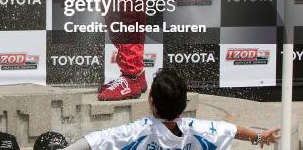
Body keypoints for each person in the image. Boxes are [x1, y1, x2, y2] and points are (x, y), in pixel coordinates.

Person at [62, 68, 281, 150]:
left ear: (151, 101)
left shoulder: (136, 131)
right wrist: (260, 136)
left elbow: (92, 142)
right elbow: (234, 130)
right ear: (183, 105)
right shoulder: (200, 130)